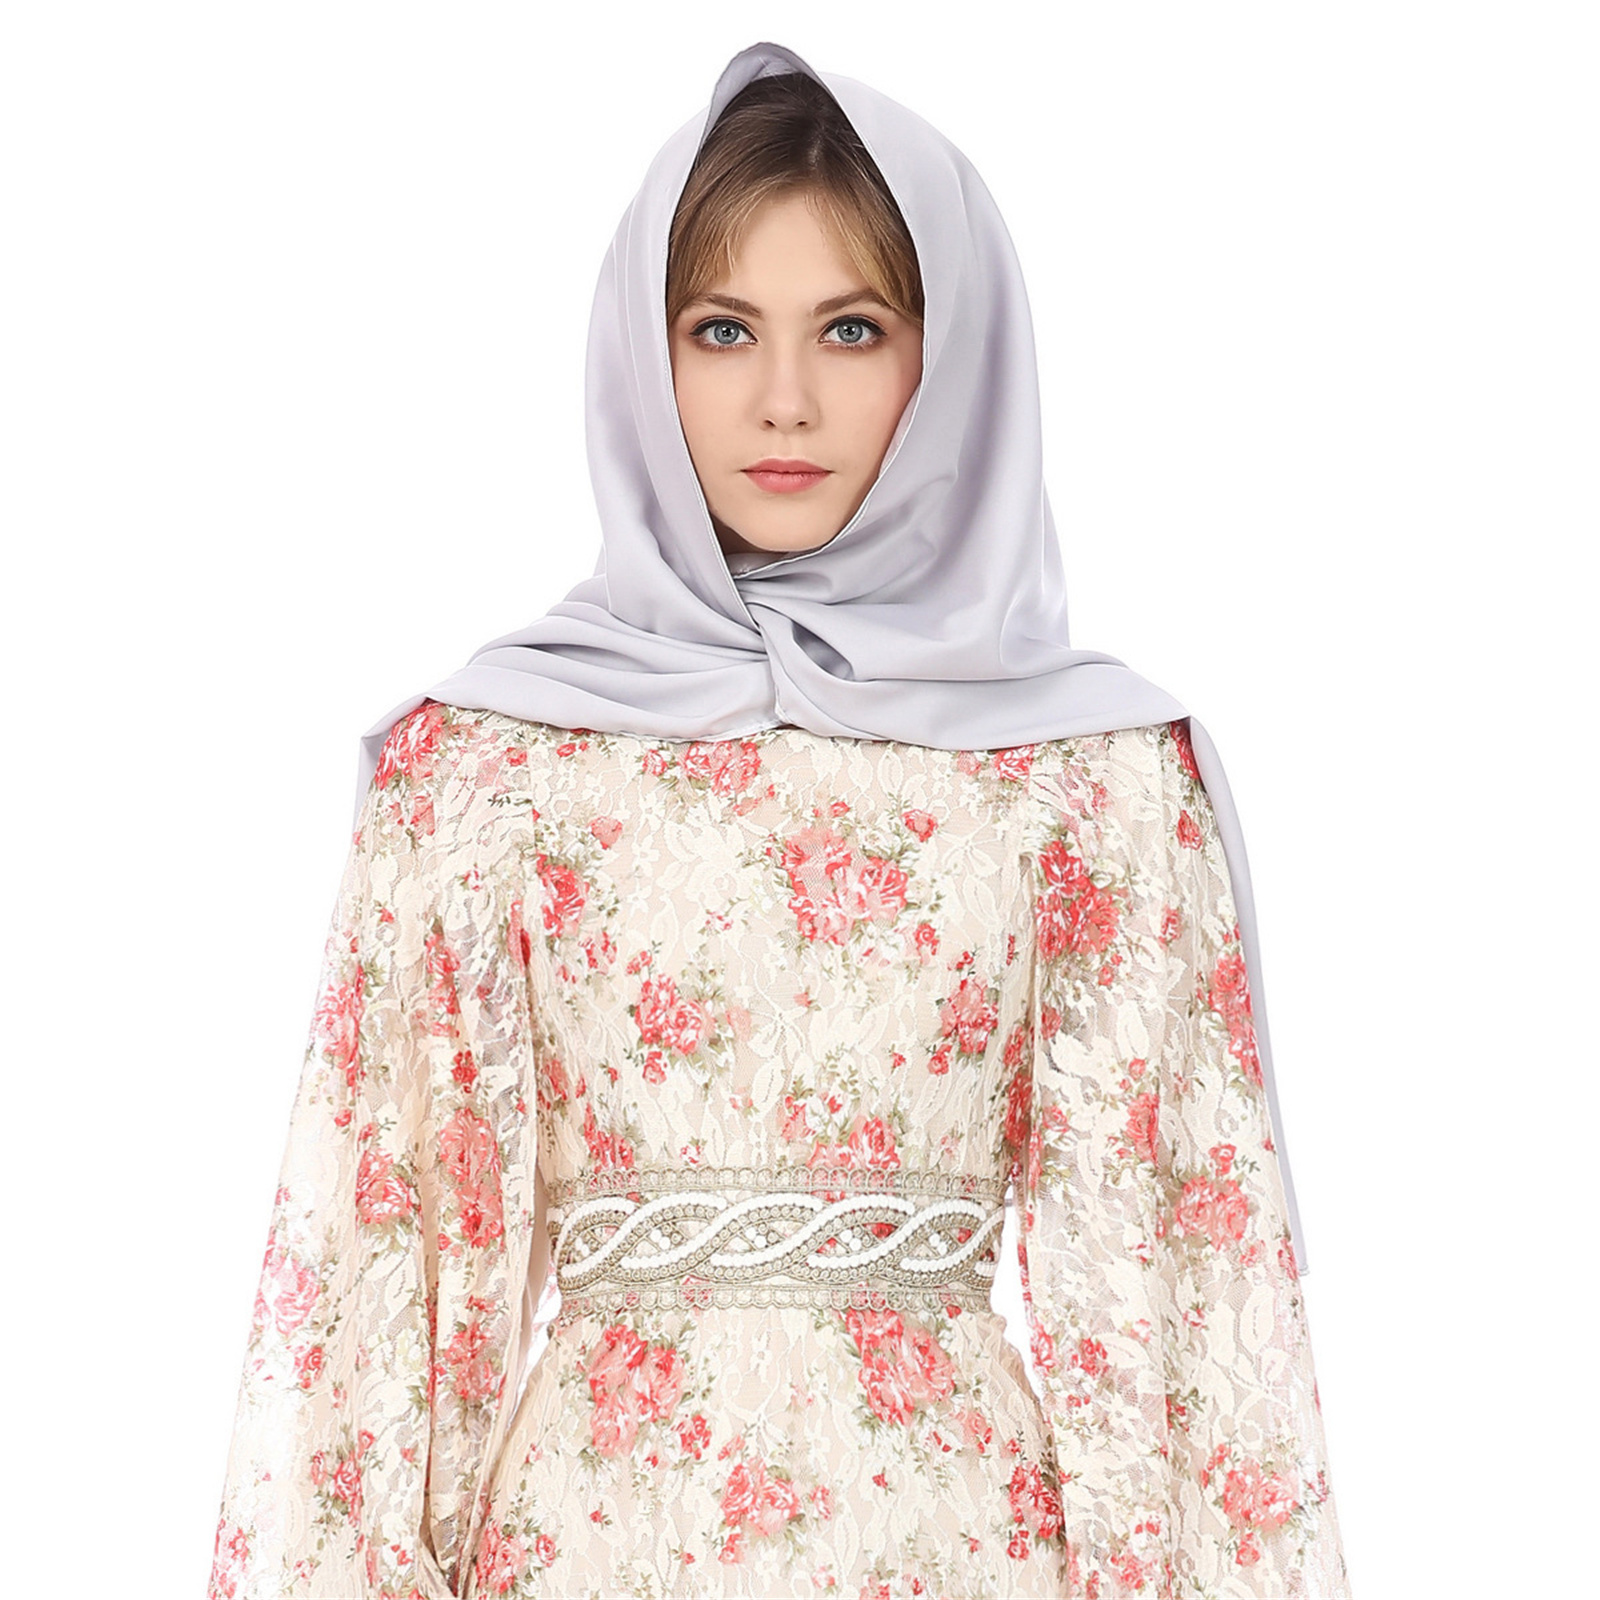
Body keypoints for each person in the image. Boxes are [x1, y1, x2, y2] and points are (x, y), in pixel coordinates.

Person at [206, 40, 1351, 1600]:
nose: (785, 399)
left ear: (951, 359)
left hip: (953, 1550)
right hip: (591, 1549)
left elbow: (1172, 1291)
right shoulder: (484, 770)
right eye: (723, 329)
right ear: (645, 352)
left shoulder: (1092, 777)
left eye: (853, 329)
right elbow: (385, 1285)